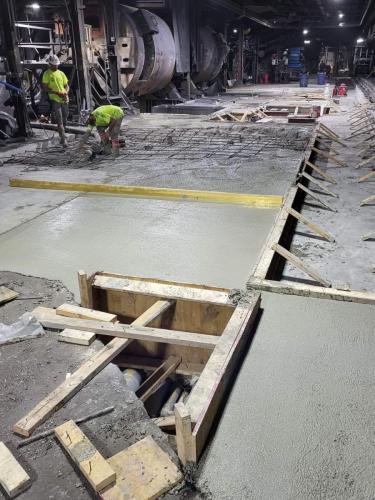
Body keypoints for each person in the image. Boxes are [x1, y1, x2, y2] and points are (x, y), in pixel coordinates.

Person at [42, 54, 69, 147]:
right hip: (55, 100)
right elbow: (45, 88)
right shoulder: (47, 74)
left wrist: (65, 92)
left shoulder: (61, 73)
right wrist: (57, 93)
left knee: (65, 119)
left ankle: (63, 136)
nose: (56, 66)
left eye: (57, 64)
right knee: (60, 120)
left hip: (64, 99)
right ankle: (63, 139)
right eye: (54, 65)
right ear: (50, 64)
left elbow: (66, 85)